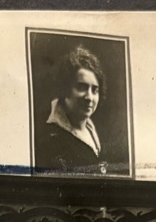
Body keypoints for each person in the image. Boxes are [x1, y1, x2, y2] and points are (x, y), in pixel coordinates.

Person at [34, 45, 114, 175]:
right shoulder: (48, 139)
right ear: (65, 89)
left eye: (95, 90)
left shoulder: (96, 132)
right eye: (82, 87)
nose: (89, 97)